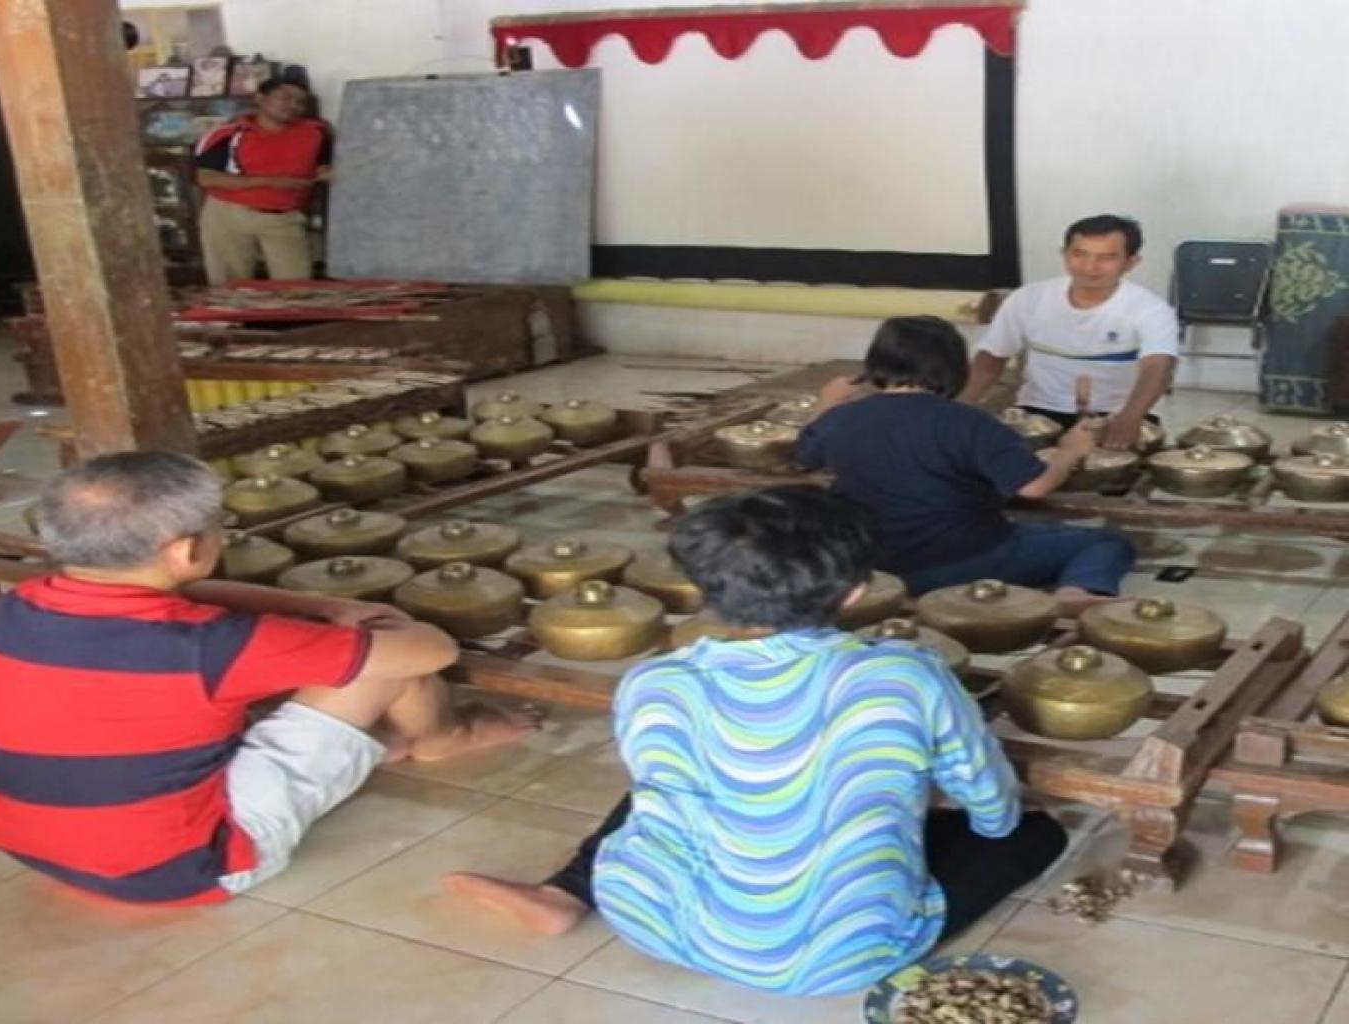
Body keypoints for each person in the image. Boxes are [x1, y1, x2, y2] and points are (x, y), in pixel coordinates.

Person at [444, 487, 1067, 996]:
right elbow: (989, 803)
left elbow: (659, 785)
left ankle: (566, 894)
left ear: (702, 591)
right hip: (839, 960)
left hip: (653, 920)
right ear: (855, 592)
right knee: (1033, 832)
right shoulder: (904, 674)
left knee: (662, 791)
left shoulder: (654, 682)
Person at [0, 452, 540, 906]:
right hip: (186, 871)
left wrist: (320, 604)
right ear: (186, 551)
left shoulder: (11, 612)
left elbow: (182, 597)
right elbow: (432, 651)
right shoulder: (212, 646)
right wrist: (387, 622)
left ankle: (374, 744)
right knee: (380, 666)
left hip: (36, 848)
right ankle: (446, 738)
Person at [796, 315, 1135, 604]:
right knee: (1105, 542)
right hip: (968, 560)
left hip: (875, 567)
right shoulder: (969, 422)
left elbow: (806, 454)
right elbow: (1034, 487)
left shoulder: (843, 418)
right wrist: (1070, 451)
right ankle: (1075, 595)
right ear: (955, 369)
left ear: (875, 364)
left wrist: (826, 402)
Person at [959, 214, 1181, 451]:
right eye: (1079, 254)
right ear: (1064, 254)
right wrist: (958, 406)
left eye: (1106, 258)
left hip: (1117, 414)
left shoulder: (1151, 309)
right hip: (1038, 411)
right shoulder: (1027, 299)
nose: (1090, 267)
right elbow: (991, 358)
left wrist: (1131, 416)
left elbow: (1158, 368)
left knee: (1117, 475)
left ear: (1131, 262)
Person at [194, 76, 332, 285]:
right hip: (229, 215)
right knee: (230, 286)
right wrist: (270, 182)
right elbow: (205, 177)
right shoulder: (229, 134)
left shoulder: (316, 132)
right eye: (285, 98)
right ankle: (234, 318)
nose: (293, 105)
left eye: (299, 102)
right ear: (260, 98)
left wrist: (324, 173)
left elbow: (323, 165)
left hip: (285, 217)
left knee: (296, 286)